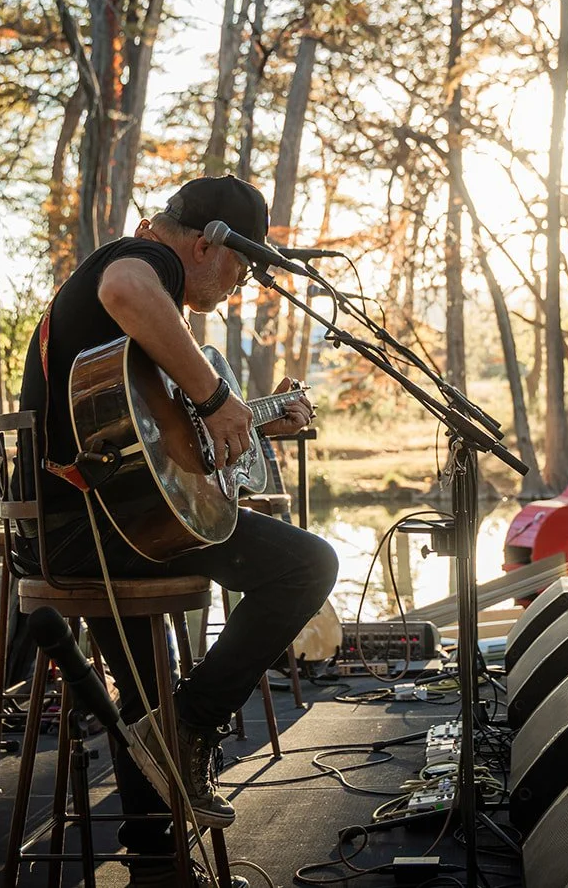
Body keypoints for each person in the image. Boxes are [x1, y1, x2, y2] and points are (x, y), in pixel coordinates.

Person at [18, 176, 338, 887]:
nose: (239, 284)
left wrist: (249, 419)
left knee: (140, 698)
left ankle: (156, 868)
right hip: (99, 528)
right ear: (204, 244)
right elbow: (127, 290)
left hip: (94, 527)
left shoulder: (141, 303)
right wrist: (219, 396)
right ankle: (192, 722)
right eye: (241, 268)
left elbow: (152, 435)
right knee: (309, 565)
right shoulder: (144, 260)